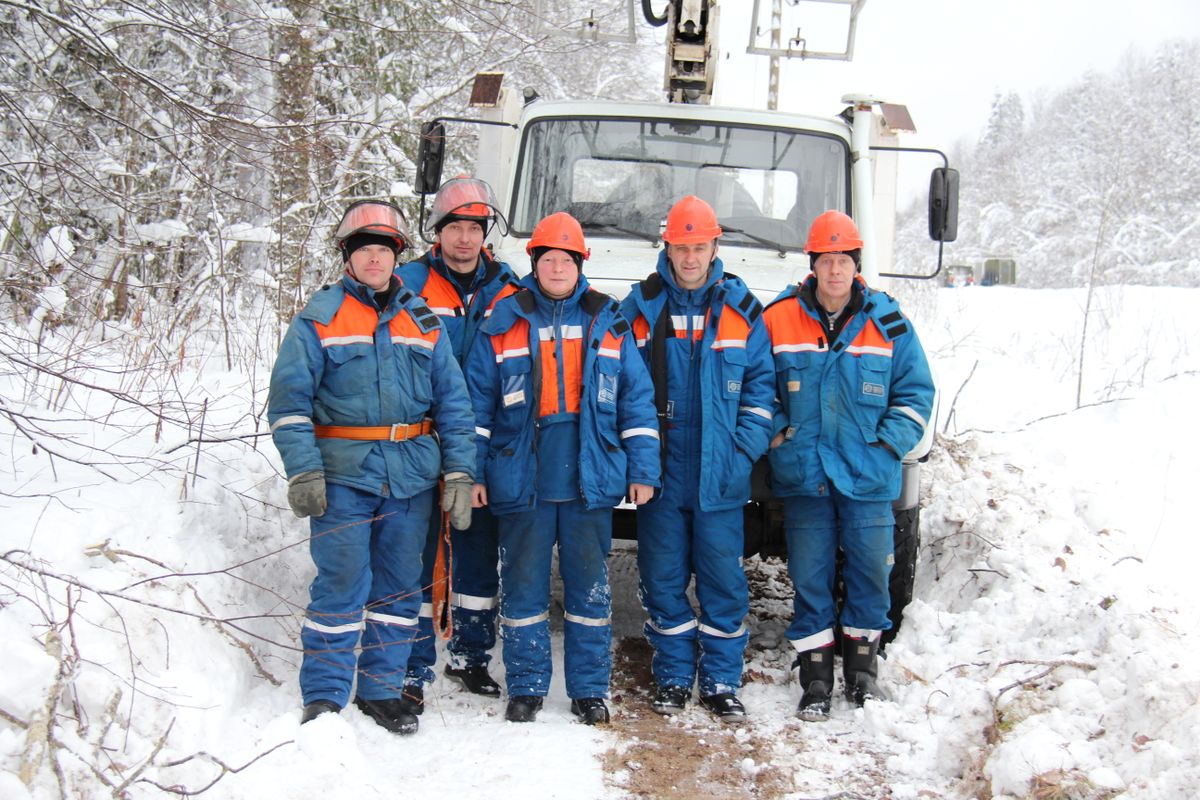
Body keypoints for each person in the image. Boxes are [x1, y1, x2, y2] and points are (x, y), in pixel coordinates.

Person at [267, 200, 477, 735]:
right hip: (344, 477)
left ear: (396, 257)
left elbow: (453, 405)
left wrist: (459, 472)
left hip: (410, 477)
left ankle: (381, 690)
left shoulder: (423, 320)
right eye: (366, 251)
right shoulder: (319, 318)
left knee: (400, 588)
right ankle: (325, 693)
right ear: (349, 258)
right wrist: (304, 470)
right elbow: (289, 404)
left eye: (384, 251)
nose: (376, 260)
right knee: (341, 583)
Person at [464, 212, 660, 725]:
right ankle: (526, 687)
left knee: (588, 591)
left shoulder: (608, 320)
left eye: (565, 259)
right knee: (524, 589)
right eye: (548, 258)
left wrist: (642, 469)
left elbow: (636, 403)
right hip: (521, 477)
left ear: (580, 265)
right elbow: (477, 406)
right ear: (534, 264)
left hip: (587, 479)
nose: (556, 267)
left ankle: (589, 689)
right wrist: (474, 473)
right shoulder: (506, 319)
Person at [762, 209, 934, 720]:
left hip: (867, 475)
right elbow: (755, 384)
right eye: (826, 260)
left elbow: (916, 392)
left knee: (869, 574)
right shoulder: (778, 318)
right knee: (810, 575)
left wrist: (888, 444)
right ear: (812, 264)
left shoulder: (888, 321)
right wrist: (776, 432)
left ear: (856, 265)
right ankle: (815, 675)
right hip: (805, 474)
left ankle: (862, 671)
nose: (835, 271)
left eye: (844, 261)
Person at [619, 195, 775, 721]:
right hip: (661, 472)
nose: (690, 258)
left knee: (722, 583)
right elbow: (618, 383)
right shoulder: (639, 307)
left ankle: (721, 681)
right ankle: (673, 676)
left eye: (699, 247)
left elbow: (761, 392)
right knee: (661, 578)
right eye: (681, 247)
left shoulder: (740, 309)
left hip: (720, 474)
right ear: (668, 247)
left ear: (715, 247)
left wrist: (740, 455)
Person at [396, 177, 518, 711]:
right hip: (423, 436)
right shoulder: (407, 282)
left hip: (486, 438)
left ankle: (471, 656)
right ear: (438, 233)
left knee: (476, 550)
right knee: (418, 551)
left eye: (474, 228)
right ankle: (412, 662)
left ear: (484, 233)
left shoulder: (510, 287)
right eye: (455, 229)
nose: (465, 240)